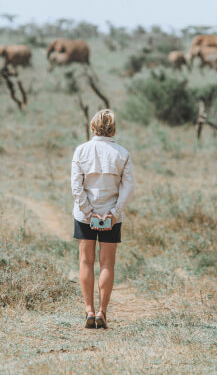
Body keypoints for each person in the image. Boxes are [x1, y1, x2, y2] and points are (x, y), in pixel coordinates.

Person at [71, 109, 135, 329]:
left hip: (84, 216)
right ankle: (102, 313)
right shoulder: (122, 154)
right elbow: (128, 189)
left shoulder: (81, 151)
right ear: (113, 129)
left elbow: (76, 188)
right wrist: (113, 213)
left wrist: (89, 213)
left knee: (85, 261)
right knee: (107, 263)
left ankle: (88, 310)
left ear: (92, 127)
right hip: (111, 217)